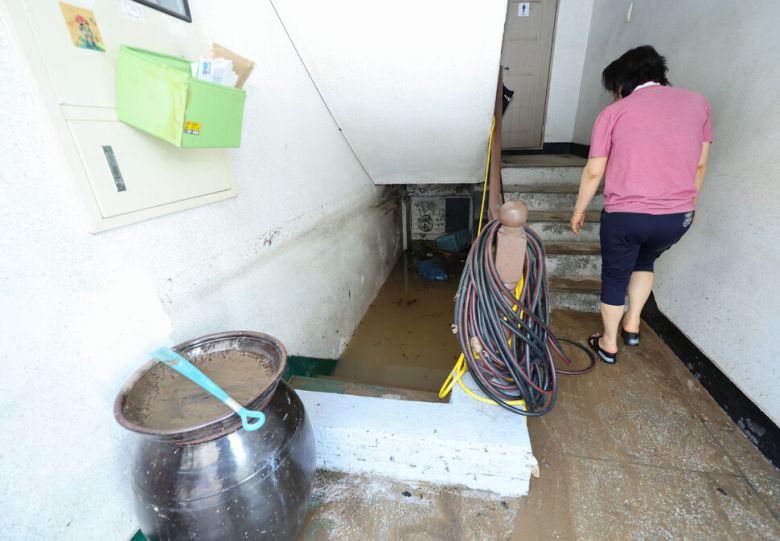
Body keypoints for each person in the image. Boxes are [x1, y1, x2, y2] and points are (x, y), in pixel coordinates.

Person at [570, 45, 712, 364]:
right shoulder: (698, 104)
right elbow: (700, 166)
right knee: (646, 262)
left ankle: (608, 343)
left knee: (615, 276)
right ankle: (632, 326)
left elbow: (594, 170)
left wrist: (580, 209)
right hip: (677, 218)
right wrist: (688, 205)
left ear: (622, 83)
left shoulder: (615, 113)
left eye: (614, 90)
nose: (614, 97)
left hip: (626, 216)